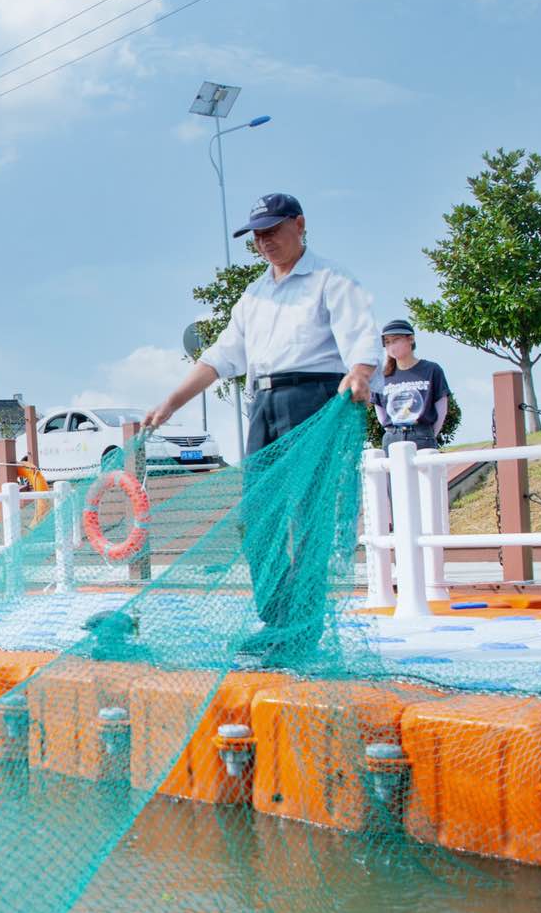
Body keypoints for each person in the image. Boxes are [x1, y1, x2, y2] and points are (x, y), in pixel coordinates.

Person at [142, 193, 382, 648]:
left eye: (273, 230)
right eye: (257, 235)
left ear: (300, 224)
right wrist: (172, 401)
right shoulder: (255, 294)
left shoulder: (332, 278)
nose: (265, 241)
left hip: (316, 400)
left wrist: (361, 372)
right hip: (265, 406)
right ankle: (277, 619)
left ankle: (303, 630)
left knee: (311, 520)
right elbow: (221, 357)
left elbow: (360, 337)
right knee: (258, 519)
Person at [372, 319, 449, 451]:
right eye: (387, 342)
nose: (391, 346)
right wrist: (393, 431)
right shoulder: (382, 375)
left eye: (396, 340)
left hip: (423, 436)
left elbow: (441, 409)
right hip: (392, 437)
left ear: (411, 339)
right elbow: (381, 412)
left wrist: (429, 435)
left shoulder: (431, 369)